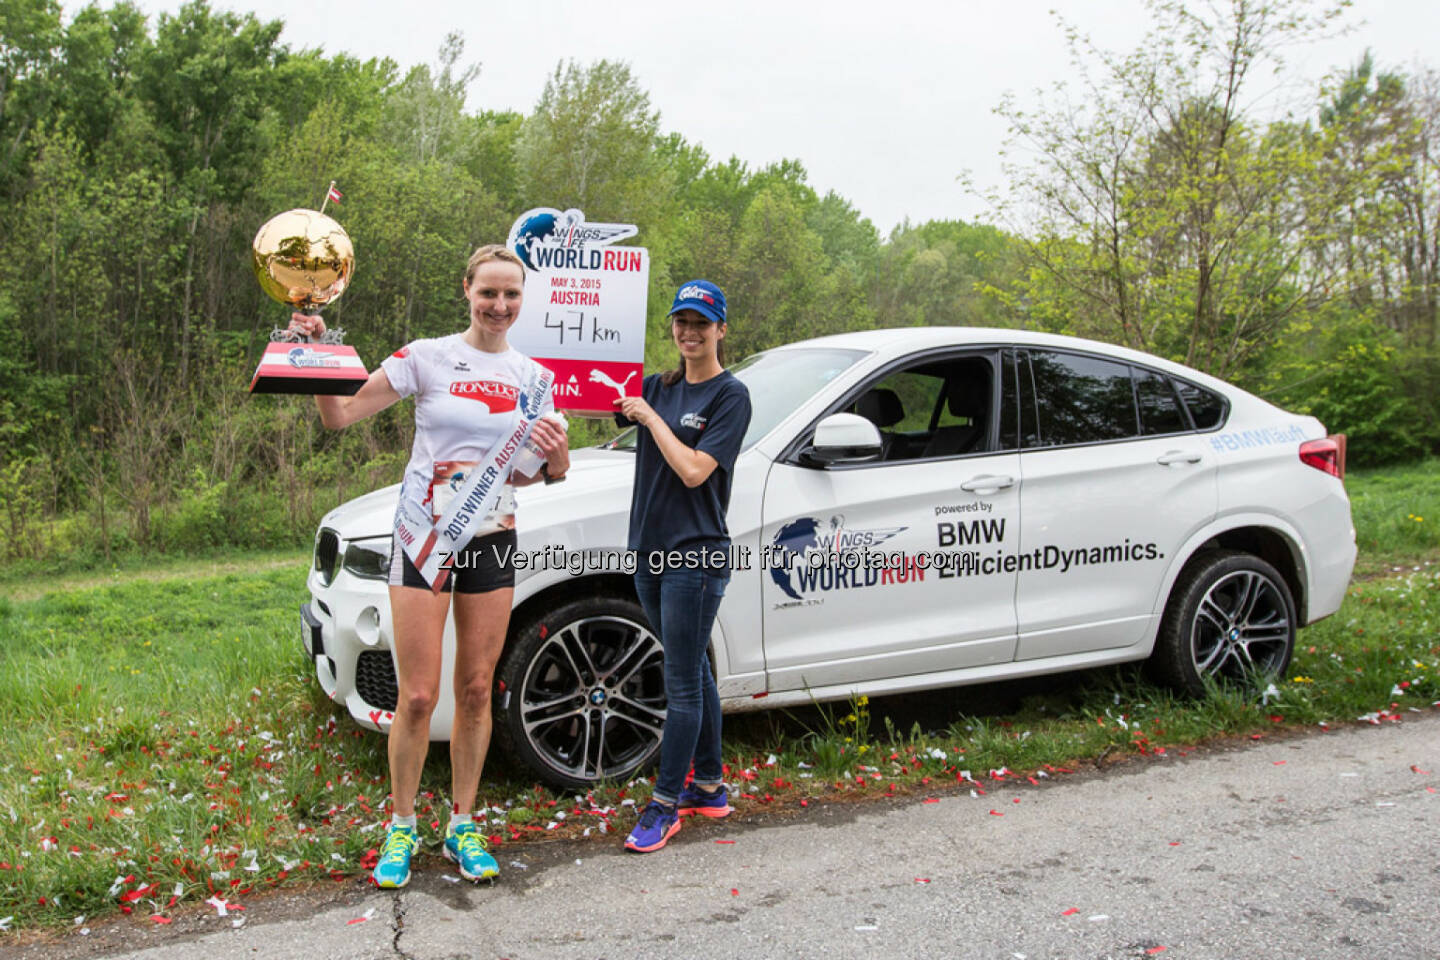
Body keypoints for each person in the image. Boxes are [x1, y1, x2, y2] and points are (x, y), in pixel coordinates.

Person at [291, 244, 570, 887]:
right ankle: (401, 825)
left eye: (511, 295)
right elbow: (340, 415)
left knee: (476, 690)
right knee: (417, 696)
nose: (499, 306)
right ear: (466, 290)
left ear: (522, 300)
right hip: (424, 539)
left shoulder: (535, 379)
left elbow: (533, 474)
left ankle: (463, 823)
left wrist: (559, 460)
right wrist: (318, 351)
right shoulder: (426, 356)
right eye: (488, 292)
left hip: (492, 538)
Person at [614, 280, 752, 853]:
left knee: (681, 685)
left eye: (702, 322)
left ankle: (666, 803)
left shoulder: (730, 396)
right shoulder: (654, 387)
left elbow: (695, 471)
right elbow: (583, 390)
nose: (689, 332)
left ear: (721, 329)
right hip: (649, 548)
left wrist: (651, 420)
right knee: (690, 667)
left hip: (695, 554)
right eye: (681, 321)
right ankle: (711, 787)